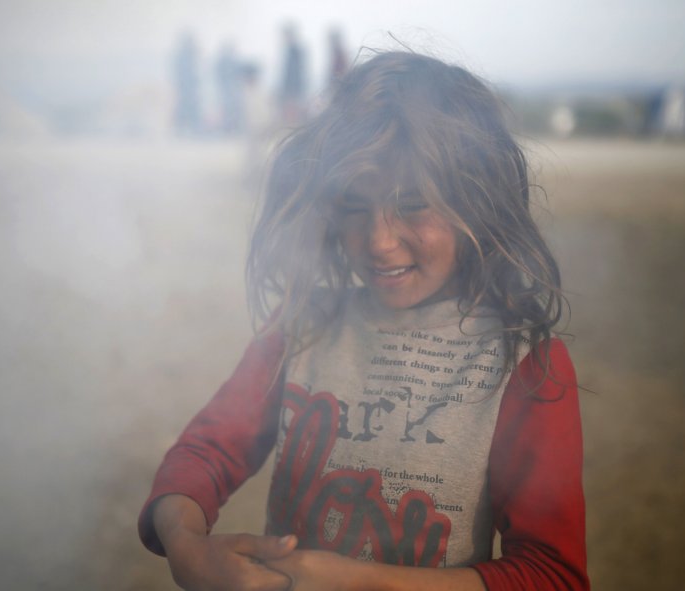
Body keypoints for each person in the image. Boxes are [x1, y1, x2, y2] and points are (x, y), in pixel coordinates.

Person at [138, 51, 589, 591]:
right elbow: (207, 451)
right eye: (354, 206)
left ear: (479, 202)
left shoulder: (523, 361)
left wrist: (359, 580)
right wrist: (185, 544)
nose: (377, 240)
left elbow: (550, 574)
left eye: (414, 204)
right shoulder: (304, 326)